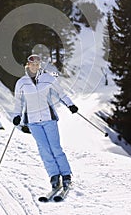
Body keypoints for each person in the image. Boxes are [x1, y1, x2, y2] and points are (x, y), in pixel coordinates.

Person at [12, 54, 78, 189]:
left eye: (37, 64)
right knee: (44, 149)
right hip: (32, 121)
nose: (35, 67)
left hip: (49, 118)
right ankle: (54, 175)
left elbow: (61, 93)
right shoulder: (21, 83)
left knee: (55, 147)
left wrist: (70, 104)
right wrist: (16, 116)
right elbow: (18, 102)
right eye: (32, 64)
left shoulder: (48, 79)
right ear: (28, 65)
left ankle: (66, 174)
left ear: (39, 65)